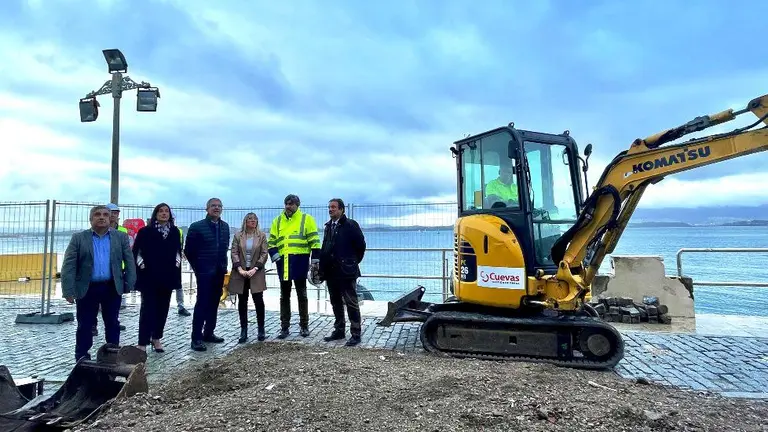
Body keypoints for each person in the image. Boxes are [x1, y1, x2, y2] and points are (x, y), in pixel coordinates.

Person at [60, 205, 136, 361]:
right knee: (85, 325)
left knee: (113, 323)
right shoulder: (79, 238)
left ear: (110, 218)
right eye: (97, 214)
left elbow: (129, 261)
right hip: (87, 288)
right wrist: (68, 290)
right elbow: (69, 265)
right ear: (90, 219)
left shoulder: (120, 238)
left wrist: (129, 283)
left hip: (111, 287)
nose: (102, 217)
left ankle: (113, 355)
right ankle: (82, 357)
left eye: (105, 215)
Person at [268, 194, 321, 339]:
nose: (288, 206)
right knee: (284, 296)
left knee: (302, 295)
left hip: (300, 263)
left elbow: (315, 242)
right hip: (283, 264)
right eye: (286, 203)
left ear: (297, 205)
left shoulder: (306, 219)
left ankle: (304, 326)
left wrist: (315, 262)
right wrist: (276, 257)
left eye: (291, 204)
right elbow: (271, 242)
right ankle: (284, 327)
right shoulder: (277, 221)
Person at [133, 203, 183, 353]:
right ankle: (142, 341)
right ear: (155, 214)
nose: (164, 213)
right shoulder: (145, 231)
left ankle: (156, 338)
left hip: (167, 277)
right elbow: (137, 252)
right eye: (160, 211)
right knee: (147, 309)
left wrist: (175, 266)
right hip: (149, 277)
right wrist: (142, 267)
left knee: (163, 309)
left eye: (166, 211)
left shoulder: (174, 232)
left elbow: (178, 252)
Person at [184, 198, 230, 351]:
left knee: (214, 303)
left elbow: (224, 248)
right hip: (203, 272)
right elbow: (188, 251)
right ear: (207, 208)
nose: (216, 208)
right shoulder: (197, 227)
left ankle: (209, 333)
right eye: (213, 206)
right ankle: (196, 338)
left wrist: (223, 266)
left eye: (219, 206)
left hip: (219, 271)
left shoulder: (225, 227)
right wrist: (198, 267)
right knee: (202, 303)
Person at [319, 198, 366, 346]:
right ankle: (339, 330)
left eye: (333, 207)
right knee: (335, 302)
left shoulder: (350, 225)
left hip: (346, 271)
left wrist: (352, 262)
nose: (330, 209)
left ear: (341, 209)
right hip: (331, 271)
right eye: (329, 207)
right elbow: (325, 247)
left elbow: (361, 246)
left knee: (351, 302)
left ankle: (356, 333)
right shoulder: (328, 227)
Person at [228, 213, 268, 343]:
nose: (253, 221)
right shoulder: (238, 235)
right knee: (242, 301)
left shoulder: (261, 235)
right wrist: (239, 269)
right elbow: (234, 252)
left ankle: (261, 329)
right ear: (245, 221)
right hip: (241, 272)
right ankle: (243, 330)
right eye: (250, 219)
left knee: (258, 300)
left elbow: (264, 253)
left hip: (256, 272)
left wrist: (255, 268)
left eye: (255, 219)